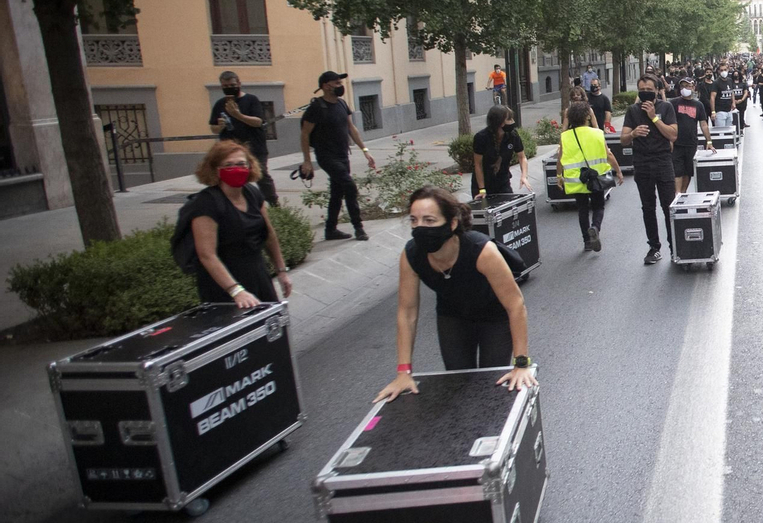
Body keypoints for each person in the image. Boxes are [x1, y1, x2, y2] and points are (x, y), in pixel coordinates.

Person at [374, 187, 537, 401]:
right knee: (458, 385)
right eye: (414, 220)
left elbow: (515, 305)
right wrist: (403, 372)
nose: (420, 227)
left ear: (451, 223)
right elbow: (407, 313)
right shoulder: (411, 255)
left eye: (429, 220)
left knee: (491, 384)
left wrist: (521, 364)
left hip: (494, 318)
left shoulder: (481, 250)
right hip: (452, 316)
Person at [189, 141, 292, 307]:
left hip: (257, 273)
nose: (236, 169)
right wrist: (236, 291)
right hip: (224, 283)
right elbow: (207, 255)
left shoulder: (252, 193)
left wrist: (281, 271)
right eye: (228, 165)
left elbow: (269, 235)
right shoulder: (206, 203)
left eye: (241, 164)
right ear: (215, 169)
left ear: (250, 166)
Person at [300, 70, 376, 241]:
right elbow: (304, 134)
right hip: (326, 157)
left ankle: (330, 230)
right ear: (326, 86)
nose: (341, 86)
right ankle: (358, 228)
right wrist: (307, 161)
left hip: (343, 155)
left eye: (340, 83)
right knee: (349, 186)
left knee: (337, 192)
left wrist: (365, 151)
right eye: (337, 83)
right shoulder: (316, 108)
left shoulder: (341, 104)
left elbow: (351, 128)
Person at [620, 75, 680, 265]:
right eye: (642, 89)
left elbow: (673, 135)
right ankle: (654, 247)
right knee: (648, 208)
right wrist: (633, 133)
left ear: (656, 91)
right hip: (642, 163)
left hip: (663, 162)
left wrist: (654, 117)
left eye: (649, 89)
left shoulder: (666, 107)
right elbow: (623, 140)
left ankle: (675, 247)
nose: (645, 92)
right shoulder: (633, 110)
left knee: (668, 206)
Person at [208, 70, 279, 205]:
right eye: (225, 86)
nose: (229, 88)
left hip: (254, 146)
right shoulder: (220, 104)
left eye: (232, 85)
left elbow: (258, 122)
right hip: (231, 148)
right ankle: (237, 203)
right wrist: (220, 126)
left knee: (261, 174)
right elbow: (213, 127)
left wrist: (237, 115)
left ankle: (274, 203)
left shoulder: (251, 100)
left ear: (239, 84)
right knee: (232, 176)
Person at [559, 102, 622, 252]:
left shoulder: (565, 137)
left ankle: (587, 242)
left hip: (577, 180)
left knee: (582, 210)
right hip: (596, 178)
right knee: (598, 206)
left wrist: (558, 176)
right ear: (587, 116)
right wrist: (618, 171)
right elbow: (608, 154)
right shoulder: (597, 133)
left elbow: (560, 158)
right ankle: (595, 227)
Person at [670, 75, 714, 193]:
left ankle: (683, 192)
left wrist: (709, 141)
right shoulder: (673, 103)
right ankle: (677, 194)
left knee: (688, 171)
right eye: (683, 86)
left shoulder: (698, 105)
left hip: (691, 143)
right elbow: (668, 122)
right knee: (677, 170)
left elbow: (703, 124)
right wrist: (669, 140)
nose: (685, 88)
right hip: (676, 143)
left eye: (688, 86)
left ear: (693, 87)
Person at [472, 105, 527, 196]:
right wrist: (482, 189)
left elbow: (522, 157)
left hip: (503, 181)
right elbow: (478, 164)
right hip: (483, 183)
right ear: (499, 122)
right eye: (509, 119)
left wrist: (524, 176)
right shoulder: (481, 137)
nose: (512, 121)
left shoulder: (512, 135)